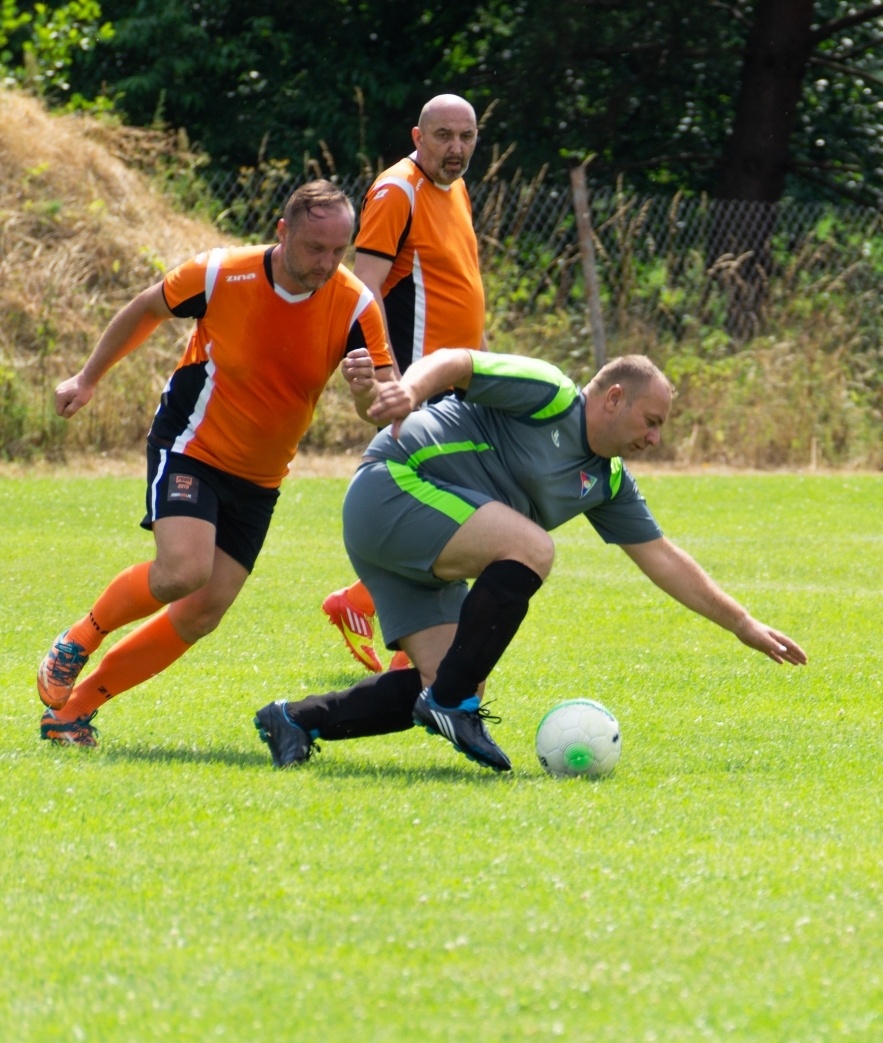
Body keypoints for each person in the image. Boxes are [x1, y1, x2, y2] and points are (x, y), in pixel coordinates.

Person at [253, 351, 807, 772]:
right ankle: (453, 703)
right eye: (651, 421)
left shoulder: (607, 482)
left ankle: (296, 719)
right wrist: (407, 391)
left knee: (439, 674)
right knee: (532, 550)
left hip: (426, 537)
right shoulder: (550, 394)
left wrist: (742, 624)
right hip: (395, 485)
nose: (656, 438)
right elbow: (457, 361)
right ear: (613, 398)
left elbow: (662, 558)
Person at [36, 181, 395, 746]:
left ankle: (71, 712)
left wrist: (362, 391)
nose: (327, 263)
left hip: (260, 477)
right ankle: (80, 638)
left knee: (203, 612)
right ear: (283, 233)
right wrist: (86, 378)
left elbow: (385, 404)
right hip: (191, 446)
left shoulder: (355, 304)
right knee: (183, 571)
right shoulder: (221, 273)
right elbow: (146, 308)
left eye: (339, 250)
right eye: (314, 248)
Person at [322, 93, 486, 674]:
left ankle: (361, 604)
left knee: (469, 514)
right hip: (419, 388)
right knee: (466, 517)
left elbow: (456, 288)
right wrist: (383, 382)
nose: (456, 149)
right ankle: (410, 653)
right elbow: (360, 292)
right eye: (443, 136)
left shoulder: (455, 187)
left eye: (466, 136)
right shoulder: (398, 191)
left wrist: (482, 371)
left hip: (458, 383)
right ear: (417, 137)